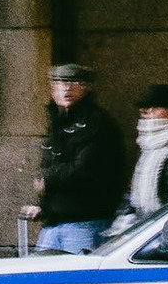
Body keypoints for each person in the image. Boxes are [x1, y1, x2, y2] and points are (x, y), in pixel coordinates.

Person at [22, 62, 126, 254]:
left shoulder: (96, 123)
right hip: (55, 221)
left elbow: (87, 168)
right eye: (60, 82)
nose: (67, 88)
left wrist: (48, 178)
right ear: (52, 89)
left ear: (86, 88)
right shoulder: (57, 121)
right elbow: (52, 163)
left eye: (74, 82)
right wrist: (43, 207)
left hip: (85, 221)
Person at [107, 83, 168, 235]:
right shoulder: (149, 142)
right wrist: (126, 217)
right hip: (145, 226)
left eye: (155, 106)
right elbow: (133, 189)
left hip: (164, 229)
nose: (146, 111)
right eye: (145, 107)